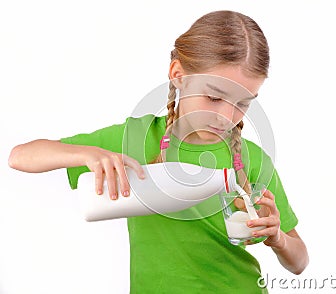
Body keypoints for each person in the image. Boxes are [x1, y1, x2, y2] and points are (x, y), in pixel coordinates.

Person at [8, 10, 308, 293]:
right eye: (214, 97)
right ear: (178, 74)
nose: (227, 117)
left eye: (244, 103)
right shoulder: (137, 138)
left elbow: (299, 262)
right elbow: (20, 156)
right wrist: (85, 154)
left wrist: (278, 237)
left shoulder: (252, 158)